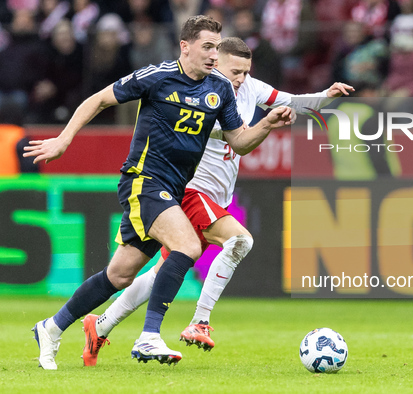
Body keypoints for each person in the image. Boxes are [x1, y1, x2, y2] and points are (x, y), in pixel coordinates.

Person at [25, 15, 293, 370]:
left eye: (217, 46)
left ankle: (52, 327)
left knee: (119, 275)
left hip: (172, 189)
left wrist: (267, 124)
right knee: (187, 245)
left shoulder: (221, 90)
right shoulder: (157, 76)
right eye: (207, 47)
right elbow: (99, 100)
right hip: (143, 180)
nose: (214, 55)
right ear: (186, 46)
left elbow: (240, 143)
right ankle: (149, 335)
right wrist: (63, 139)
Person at [78, 36, 353, 367]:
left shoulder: (249, 87)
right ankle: (199, 321)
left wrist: (326, 95)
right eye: (234, 71)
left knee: (162, 272)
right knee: (239, 240)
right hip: (192, 190)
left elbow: (293, 101)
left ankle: (100, 325)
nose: (239, 78)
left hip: (215, 196)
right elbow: (216, 132)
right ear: (215, 62)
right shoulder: (201, 91)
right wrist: (259, 125)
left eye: (244, 72)